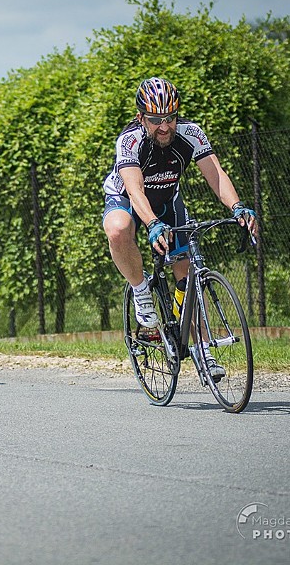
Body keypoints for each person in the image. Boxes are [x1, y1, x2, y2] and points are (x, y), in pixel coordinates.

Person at [101, 77, 257, 381]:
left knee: (188, 276)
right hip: (129, 200)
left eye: (170, 118)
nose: (164, 127)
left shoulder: (191, 133)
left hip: (168, 202)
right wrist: (152, 224)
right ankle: (141, 291)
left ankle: (202, 350)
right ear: (141, 118)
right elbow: (134, 190)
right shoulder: (130, 140)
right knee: (118, 230)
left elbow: (217, 175)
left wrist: (237, 207)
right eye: (156, 120)